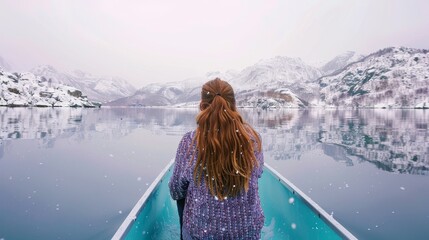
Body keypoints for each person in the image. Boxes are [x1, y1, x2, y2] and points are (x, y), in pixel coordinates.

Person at [169, 78, 264, 239]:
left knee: (182, 195)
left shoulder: (189, 142)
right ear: (233, 105)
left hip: (201, 234)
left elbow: (175, 190)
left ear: (201, 106)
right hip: (247, 233)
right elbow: (259, 172)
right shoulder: (253, 140)